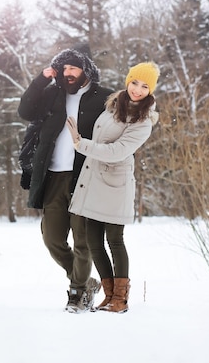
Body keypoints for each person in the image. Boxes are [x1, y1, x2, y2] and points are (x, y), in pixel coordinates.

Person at [17, 47, 113, 313]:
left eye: (74, 68)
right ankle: (85, 281)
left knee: (83, 241)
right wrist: (41, 79)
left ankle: (78, 292)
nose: (68, 73)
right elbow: (25, 110)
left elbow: (124, 125)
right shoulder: (51, 95)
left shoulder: (104, 98)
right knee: (52, 238)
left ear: (86, 70)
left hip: (86, 176)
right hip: (53, 177)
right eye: (64, 69)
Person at [66, 62, 160, 313]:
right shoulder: (113, 105)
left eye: (144, 86)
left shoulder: (144, 121)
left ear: (150, 91)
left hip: (115, 183)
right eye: (134, 83)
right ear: (128, 81)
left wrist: (80, 145)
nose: (137, 90)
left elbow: (117, 151)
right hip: (95, 178)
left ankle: (121, 298)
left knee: (115, 240)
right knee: (94, 241)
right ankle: (108, 296)